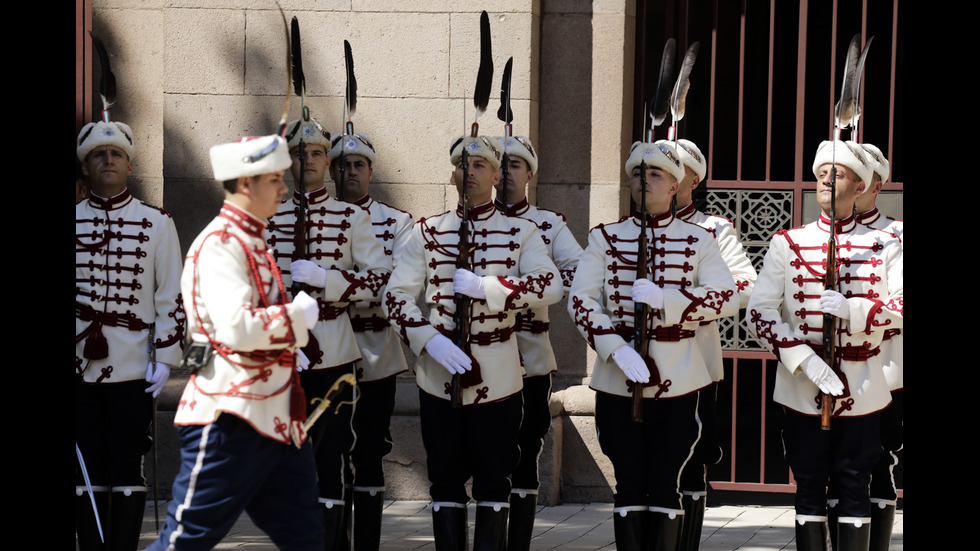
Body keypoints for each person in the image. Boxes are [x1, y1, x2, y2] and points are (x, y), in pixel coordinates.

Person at [382, 135, 563, 550]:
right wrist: (427, 339)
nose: (471, 172)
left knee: (494, 479)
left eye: (481, 165)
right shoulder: (425, 233)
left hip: (499, 374)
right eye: (464, 165)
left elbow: (549, 285)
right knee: (444, 479)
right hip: (437, 374)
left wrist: (489, 287)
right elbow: (395, 296)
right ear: (452, 174)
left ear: (498, 175)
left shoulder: (522, 232)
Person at [148, 134, 324, 550]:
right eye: (275, 179)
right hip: (232, 414)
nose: (284, 188)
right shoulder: (220, 245)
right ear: (246, 184)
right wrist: (297, 317)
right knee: (185, 541)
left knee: (306, 538)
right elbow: (236, 329)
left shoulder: (252, 241)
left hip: (277, 416)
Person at [567, 140, 737, 550]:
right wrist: (615, 348)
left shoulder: (700, 240)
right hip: (616, 377)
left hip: (679, 377)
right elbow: (581, 299)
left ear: (675, 185)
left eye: (655, 174)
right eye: (638, 174)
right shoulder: (605, 238)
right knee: (627, 481)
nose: (644, 181)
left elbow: (726, 295)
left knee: (665, 482)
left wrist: (670, 300)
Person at [746, 140, 903, 551]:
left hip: (863, 382)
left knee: (855, 481)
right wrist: (802, 359)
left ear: (862, 185)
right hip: (801, 385)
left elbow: (902, 304)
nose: (826, 180)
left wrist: (854, 309)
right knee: (809, 483)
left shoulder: (887, 242)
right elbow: (760, 312)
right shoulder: (788, 242)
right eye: (821, 173)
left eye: (838, 174)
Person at [266, 117, 391, 549]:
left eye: (317, 153)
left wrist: (327, 278)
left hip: (336, 352)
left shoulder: (351, 217)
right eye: (301, 154)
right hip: (282, 356)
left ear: (327, 161)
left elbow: (379, 278)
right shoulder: (267, 216)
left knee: (331, 457)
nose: (310, 161)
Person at [75, 119, 184, 550]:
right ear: (85, 167)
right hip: (79, 365)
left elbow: (170, 294)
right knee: (85, 471)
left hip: (135, 363)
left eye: (116, 154)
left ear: (130, 166)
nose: (107, 160)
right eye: (98, 155)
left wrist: (166, 357)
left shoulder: (157, 223)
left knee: (126, 467)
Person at [659, 138, 757, 551]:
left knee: (692, 456)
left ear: (692, 179)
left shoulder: (715, 229)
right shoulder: (632, 229)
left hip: (695, 358)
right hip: (639, 360)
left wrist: (690, 298)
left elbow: (746, 285)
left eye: (671, 168)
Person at [493, 134, 583, 551]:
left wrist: (545, 288)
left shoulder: (548, 223)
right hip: (479, 354)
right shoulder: (471, 222)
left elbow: (581, 269)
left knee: (526, 447)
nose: (507, 172)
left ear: (530, 173)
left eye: (516, 165)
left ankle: (519, 544)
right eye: (502, 164)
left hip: (528, 354)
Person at [327, 130, 412, 551]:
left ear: (372, 170)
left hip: (376, 351)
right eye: (343, 165)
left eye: (359, 165)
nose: (351, 172)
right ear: (331, 171)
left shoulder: (397, 223)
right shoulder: (314, 221)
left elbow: (394, 284)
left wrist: (332, 287)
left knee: (370, 451)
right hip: (326, 355)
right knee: (329, 452)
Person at [829, 143, 901, 551]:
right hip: (830, 367)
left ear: (875, 185)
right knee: (833, 463)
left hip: (885, 365)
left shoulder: (896, 235)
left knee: (879, 460)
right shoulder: (821, 234)